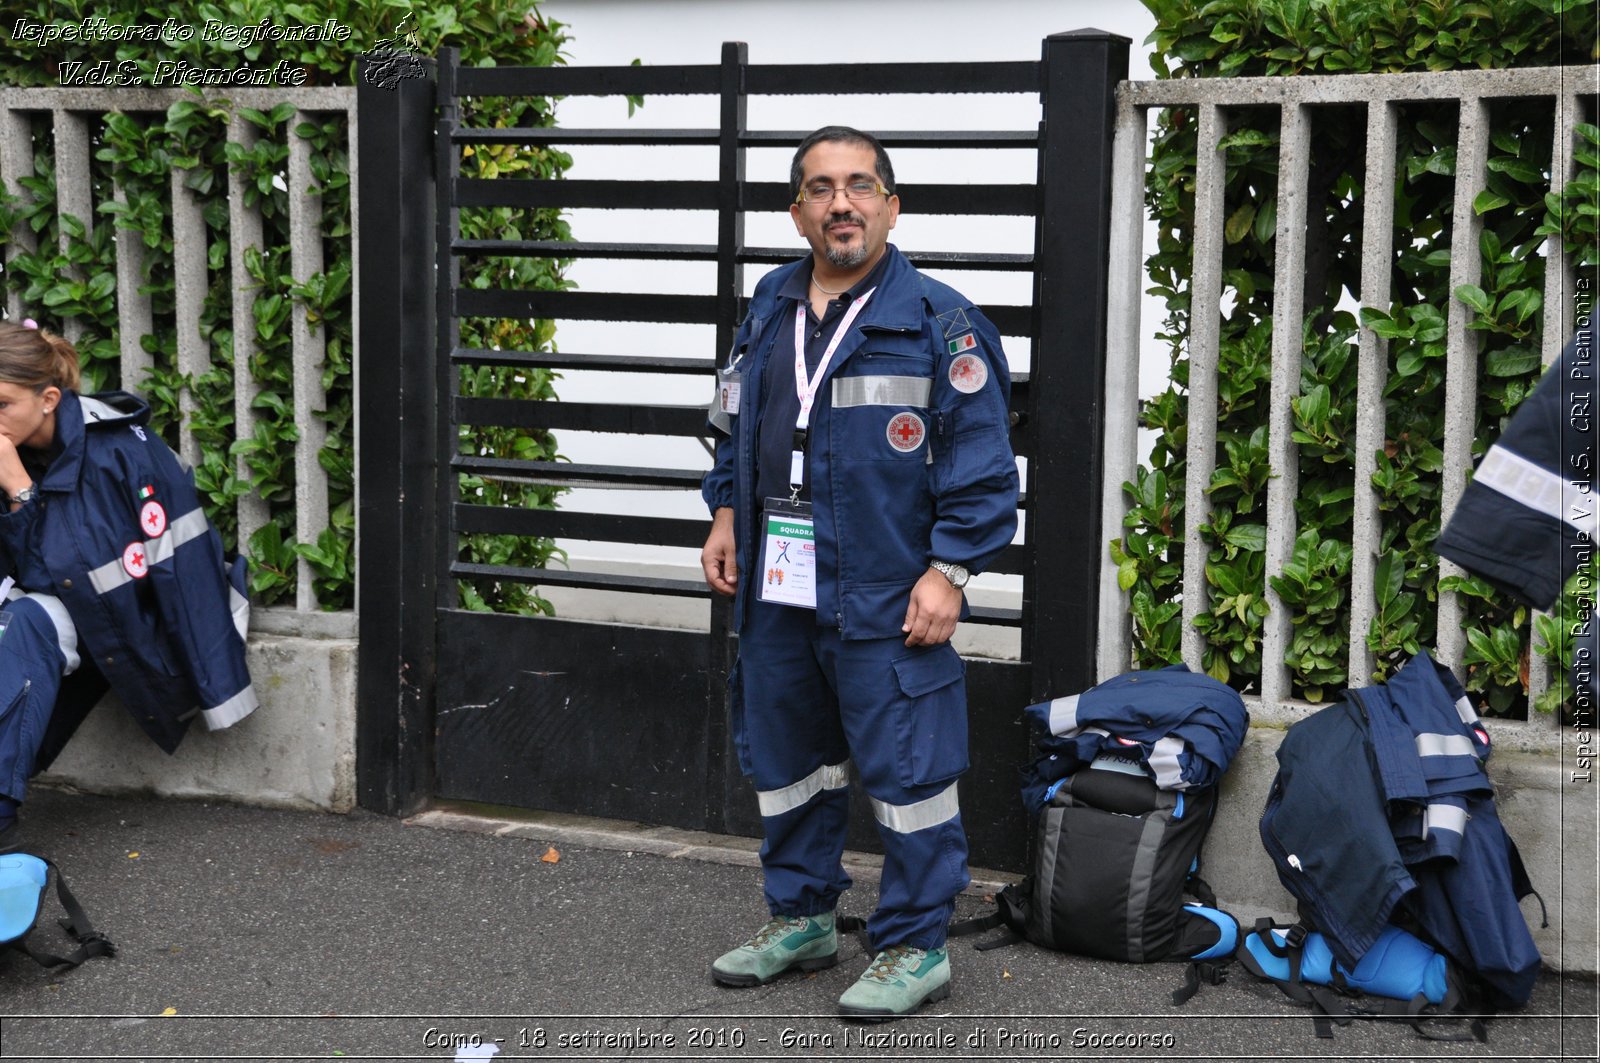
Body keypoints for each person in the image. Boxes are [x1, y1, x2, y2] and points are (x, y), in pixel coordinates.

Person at [699, 126, 1019, 1019]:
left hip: (887, 588)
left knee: (909, 770)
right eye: (821, 188)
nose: (842, 202)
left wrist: (950, 571)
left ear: (891, 204)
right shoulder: (767, 307)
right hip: (778, 580)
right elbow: (731, 421)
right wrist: (727, 509)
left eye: (861, 185)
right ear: (796, 210)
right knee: (788, 756)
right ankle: (802, 916)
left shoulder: (940, 325)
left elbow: (986, 466)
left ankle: (915, 944)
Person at [0, 319, 257, 851]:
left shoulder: (119, 449)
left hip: (128, 627)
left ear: (49, 398)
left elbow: (183, 570)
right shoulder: (14, 450)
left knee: (27, 621)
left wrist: (20, 492)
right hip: (58, 617)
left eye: (1, 405)